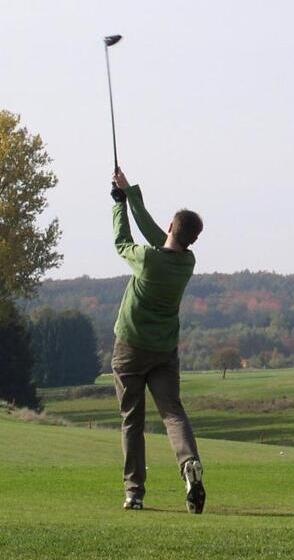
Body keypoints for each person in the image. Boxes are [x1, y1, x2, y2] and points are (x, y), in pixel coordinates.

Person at [110, 168, 206, 514]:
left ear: (171, 226)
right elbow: (158, 236)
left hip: (130, 348)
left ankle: (134, 493)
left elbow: (123, 242)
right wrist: (130, 192)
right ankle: (189, 463)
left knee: (132, 420)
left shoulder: (149, 260)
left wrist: (119, 204)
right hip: (164, 351)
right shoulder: (187, 262)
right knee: (172, 413)